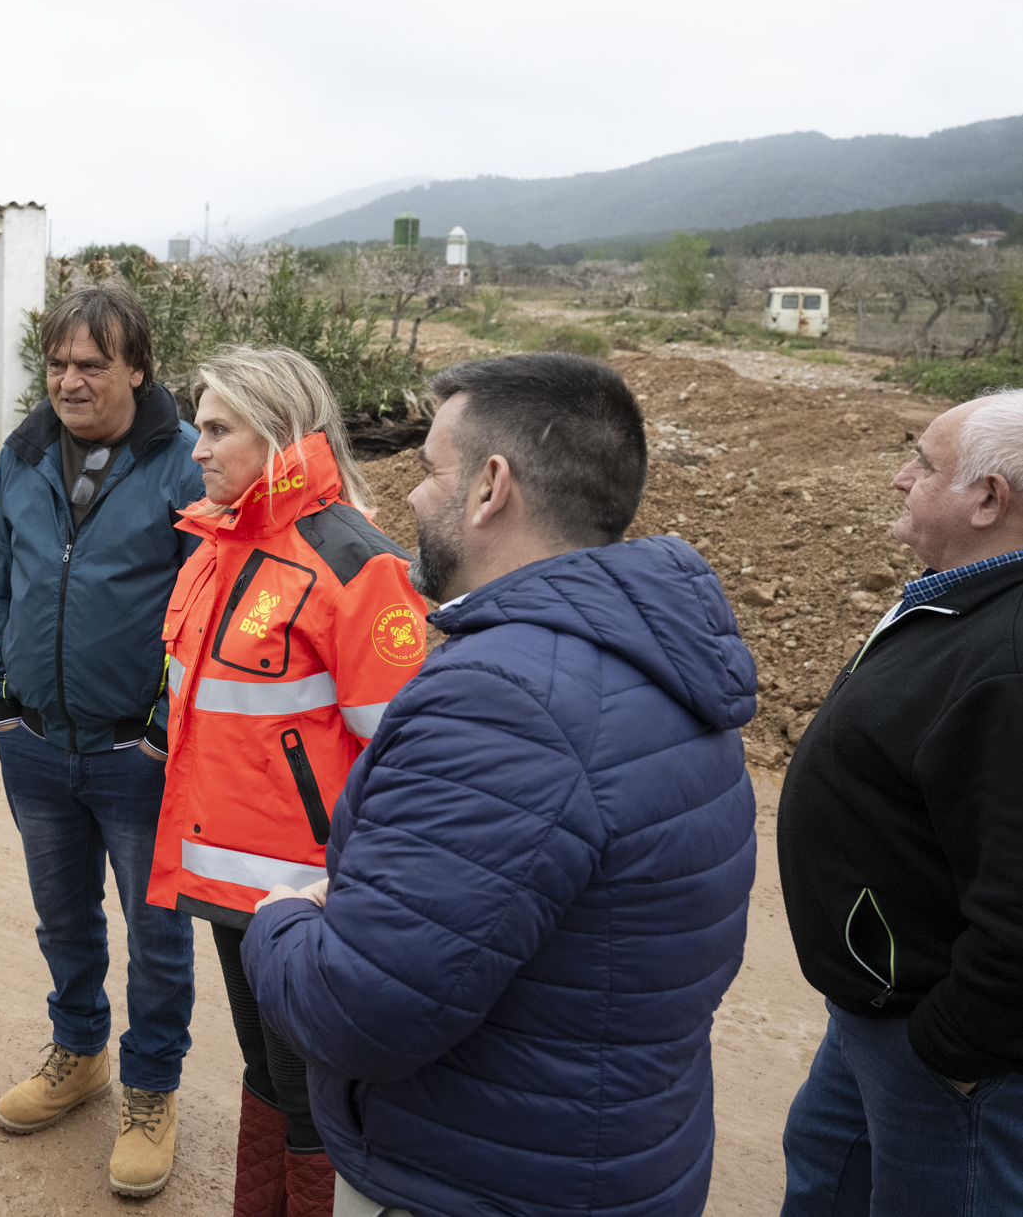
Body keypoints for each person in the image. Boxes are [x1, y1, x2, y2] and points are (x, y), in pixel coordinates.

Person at [242, 352, 759, 1217]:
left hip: (473, 1181)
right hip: (605, 1157)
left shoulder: (501, 701)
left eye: (427, 471)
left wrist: (283, 920)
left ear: (489, 487)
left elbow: (358, 1012)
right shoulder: (655, 662)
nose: (408, 498)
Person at [144, 345, 428, 1217]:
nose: (197, 448)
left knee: (314, 1100)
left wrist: (355, 889)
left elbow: (408, 760)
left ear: (277, 432)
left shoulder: (355, 562)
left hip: (307, 896)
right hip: (229, 884)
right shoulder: (215, 542)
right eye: (199, 427)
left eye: (218, 429)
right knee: (265, 1076)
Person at [0, 283, 207, 1197]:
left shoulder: (183, 462)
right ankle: (80, 1054)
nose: (69, 381)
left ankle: (150, 1086)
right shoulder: (23, 452)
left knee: (158, 934)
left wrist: (158, 726)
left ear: (136, 369)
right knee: (62, 917)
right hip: (33, 742)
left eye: (92, 364)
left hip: (134, 753)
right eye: (58, 363)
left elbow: (198, 612)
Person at [776, 389, 1023, 1215]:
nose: (896, 478)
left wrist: (956, 1048)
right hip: (876, 1012)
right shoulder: (965, 591)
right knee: (824, 1179)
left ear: (989, 499)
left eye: (922, 465)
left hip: (945, 1045)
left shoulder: (1012, 653)